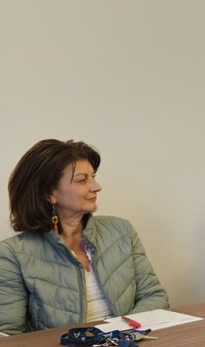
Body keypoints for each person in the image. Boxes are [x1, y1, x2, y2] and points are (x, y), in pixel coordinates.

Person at [0, 140, 169, 335]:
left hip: (128, 344)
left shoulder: (121, 230)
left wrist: (120, 334)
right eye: (82, 180)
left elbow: (154, 296)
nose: (97, 187)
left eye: (93, 177)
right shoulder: (12, 254)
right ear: (49, 194)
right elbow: (9, 335)